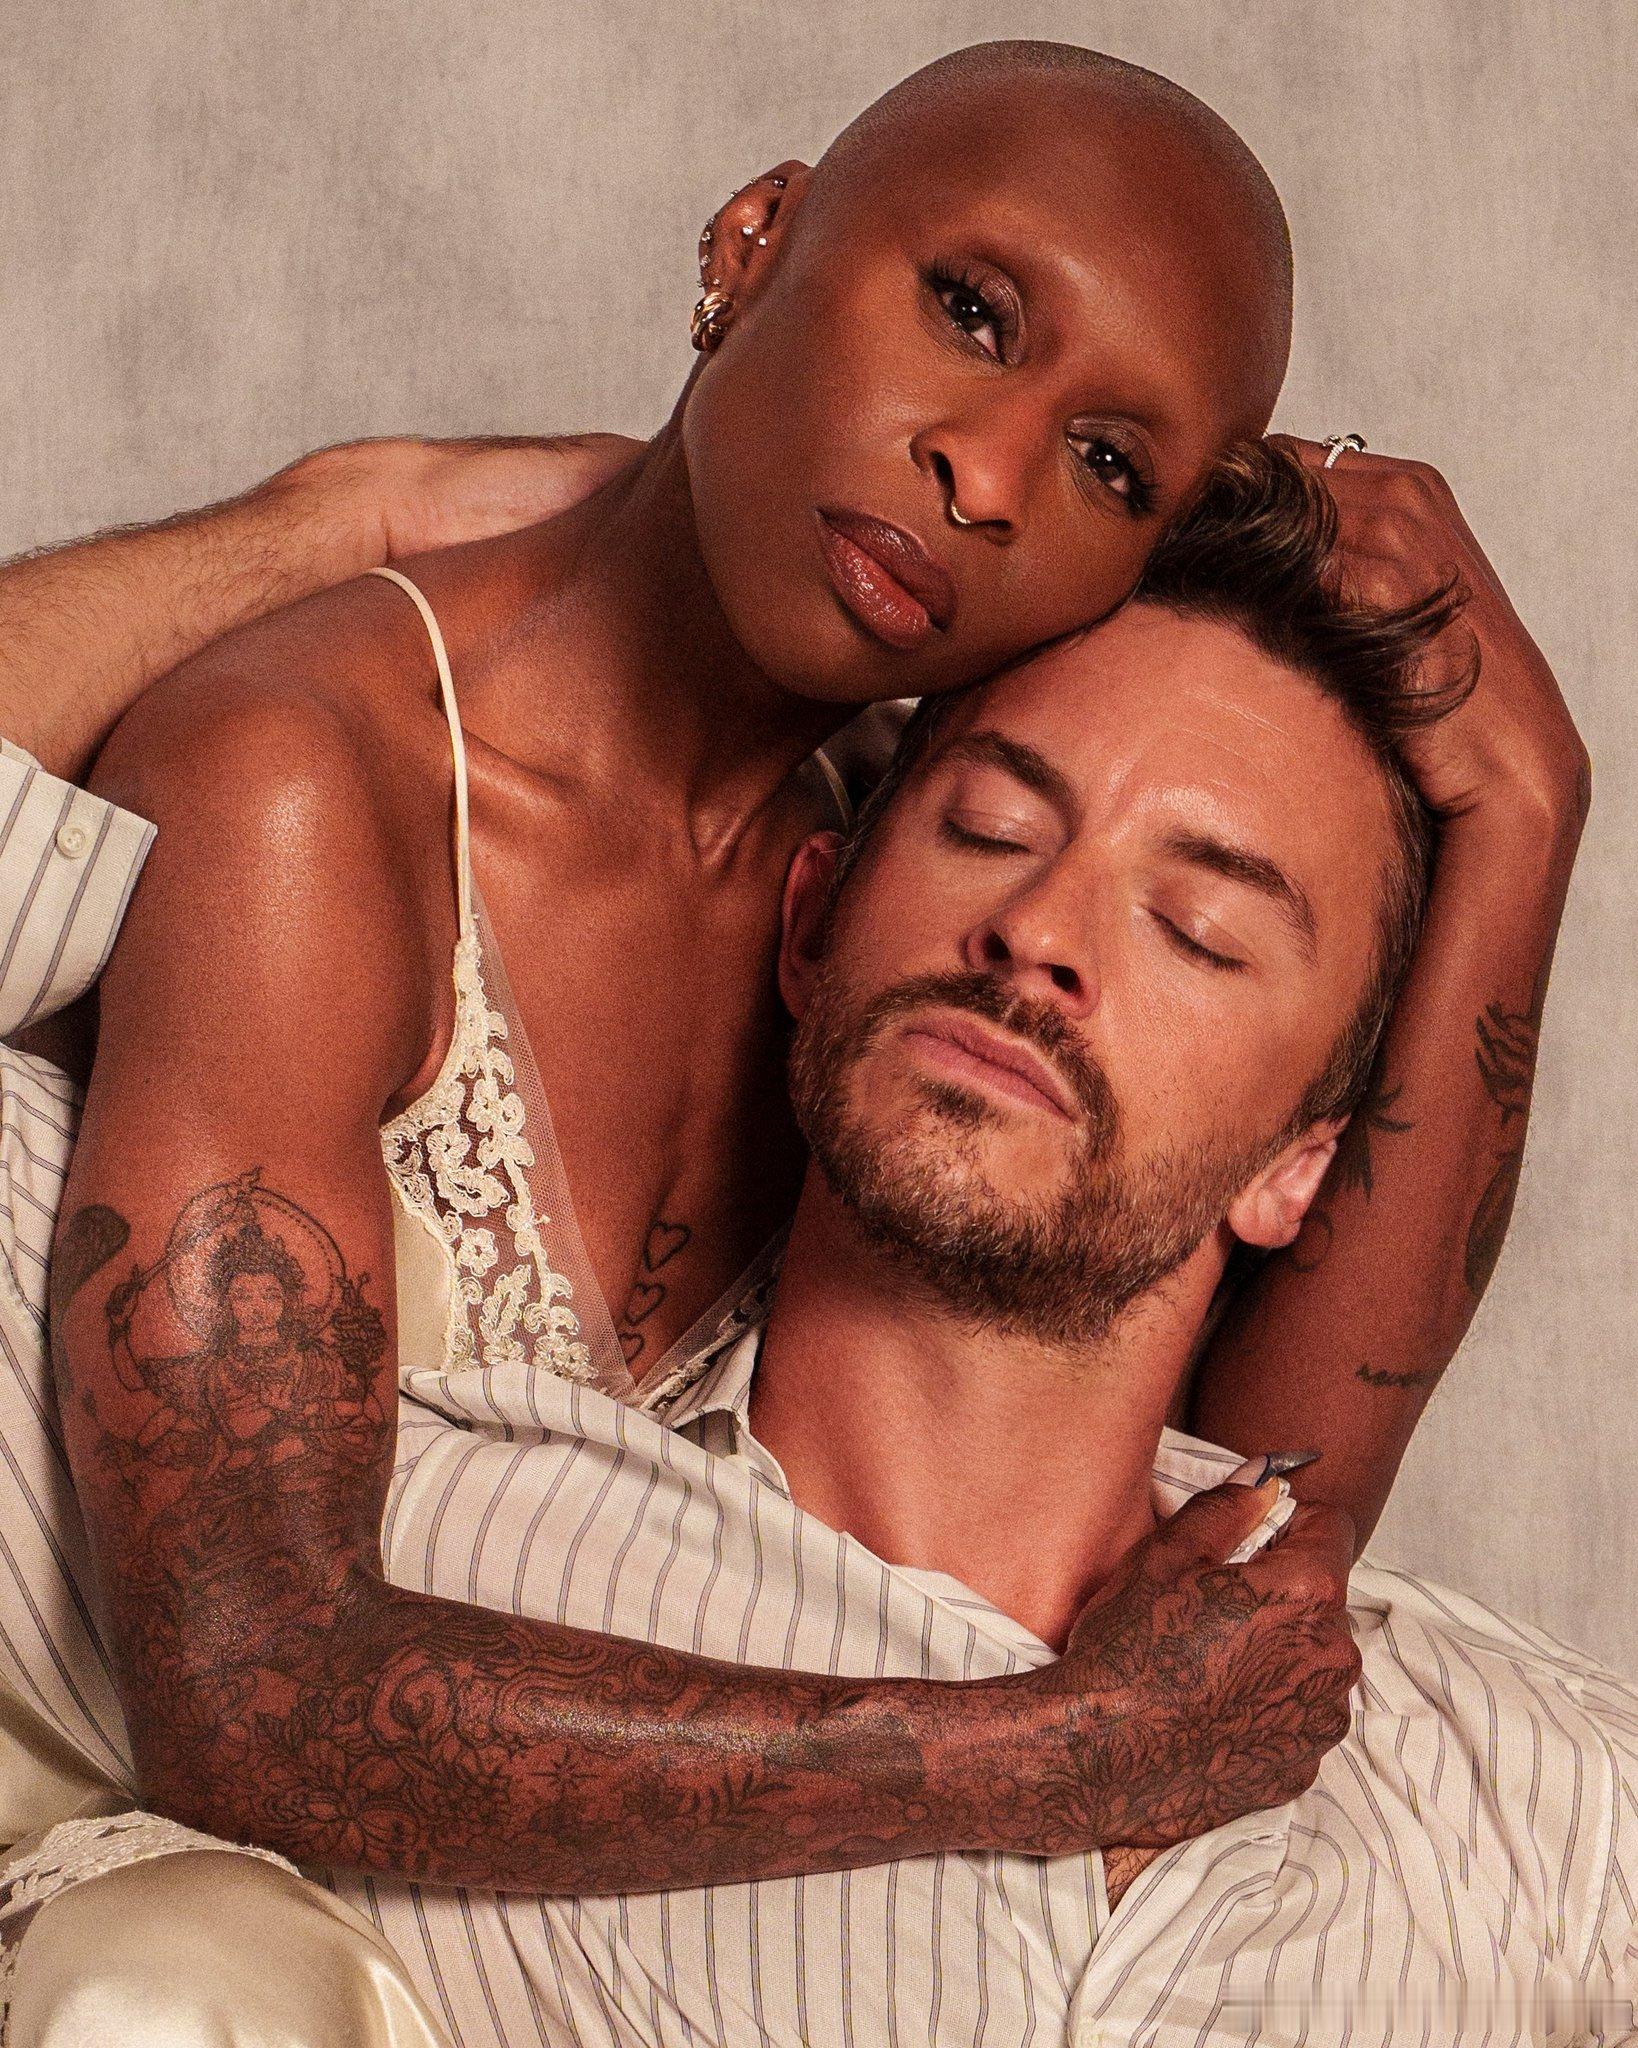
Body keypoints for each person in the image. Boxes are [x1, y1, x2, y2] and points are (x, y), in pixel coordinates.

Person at [24, 442, 1634, 2048]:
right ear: (809, 924)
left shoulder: (1513, 1796)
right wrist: (350, 517)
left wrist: (1526, 811)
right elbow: (242, 1682)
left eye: (1194, 931)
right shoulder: (387, 1537)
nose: (1039, 932)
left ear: (1302, 1168)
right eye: (989, 829)